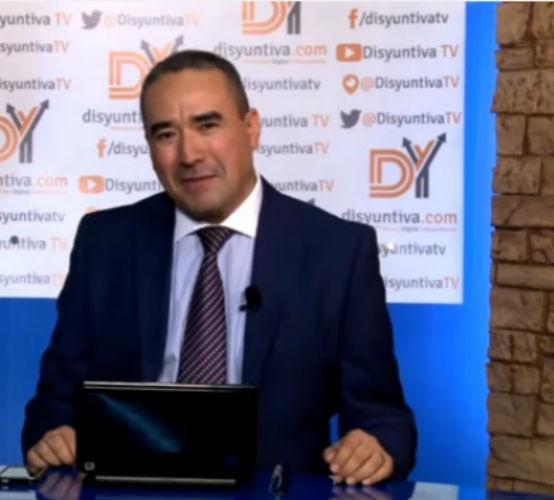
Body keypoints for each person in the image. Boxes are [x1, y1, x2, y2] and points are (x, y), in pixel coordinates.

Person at [22, 50, 416, 486]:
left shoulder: (338, 251)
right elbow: (52, 406)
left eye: (207, 125)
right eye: (166, 134)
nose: (189, 153)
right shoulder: (104, 243)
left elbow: (383, 417)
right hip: (131, 492)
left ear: (251, 128)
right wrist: (53, 437)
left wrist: (374, 446)